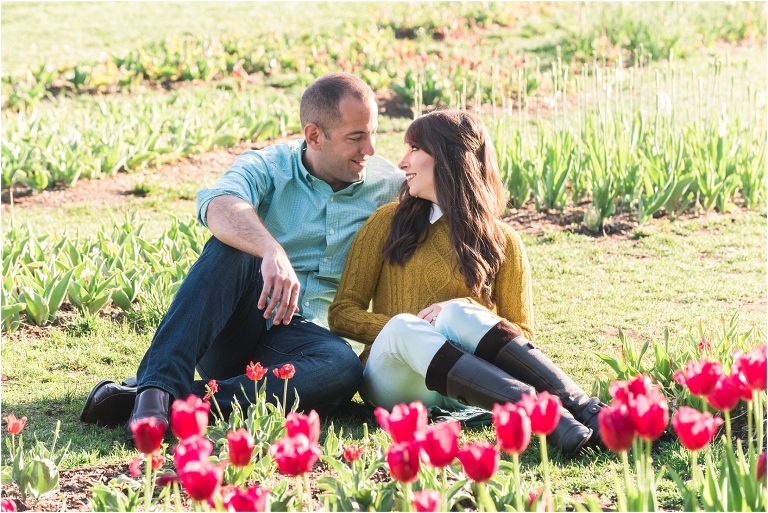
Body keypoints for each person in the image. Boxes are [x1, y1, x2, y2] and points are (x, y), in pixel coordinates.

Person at [80, 72, 404, 443]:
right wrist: (271, 250)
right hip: (240, 328)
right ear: (314, 136)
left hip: (306, 350)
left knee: (342, 368)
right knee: (231, 246)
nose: (371, 149)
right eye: (356, 137)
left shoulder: (389, 188)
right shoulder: (269, 165)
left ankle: (173, 400)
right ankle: (155, 392)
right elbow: (219, 205)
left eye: (373, 132)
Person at [328, 110, 604, 456]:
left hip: (468, 386)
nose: (402, 161)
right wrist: (421, 332)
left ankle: (584, 411)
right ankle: (539, 411)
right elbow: (341, 313)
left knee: (458, 313)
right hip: (395, 380)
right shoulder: (386, 224)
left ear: (447, 159)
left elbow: (522, 334)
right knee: (404, 326)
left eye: (414, 149)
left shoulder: (503, 241)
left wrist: (457, 316)